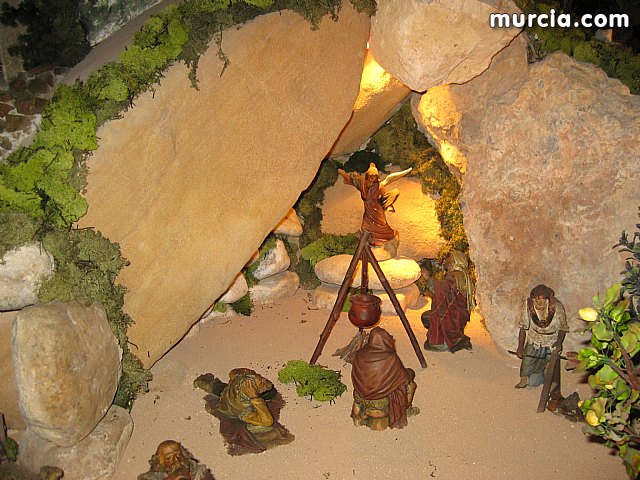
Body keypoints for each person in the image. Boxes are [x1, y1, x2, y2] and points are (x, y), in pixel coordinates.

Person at [351, 327, 418, 430]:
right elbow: (403, 379)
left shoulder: (360, 353)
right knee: (411, 386)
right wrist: (410, 373)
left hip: (361, 390)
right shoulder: (391, 358)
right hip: (379, 393)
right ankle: (407, 409)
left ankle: (359, 414)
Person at [338, 163, 411, 247]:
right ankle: (369, 242)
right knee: (366, 229)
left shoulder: (380, 187)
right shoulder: (363, 184)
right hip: (368, 214)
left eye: (373, 177)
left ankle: (380, 241)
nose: (371, 179)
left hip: (377, 211)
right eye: (370, 176)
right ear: (367, 176)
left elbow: (384, 197)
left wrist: (388, 206)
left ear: (376, 177)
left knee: (382, 228)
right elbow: (353, 180)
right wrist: (344, 175)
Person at [514, 284, 568, 388]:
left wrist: (559, 343)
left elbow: (563, 327)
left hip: (551, 341)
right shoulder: (528, 305)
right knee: (527, 361)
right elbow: (523, 327)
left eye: (542, 300)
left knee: (550, 364)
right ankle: (524, 380)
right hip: (534, 338)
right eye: (536, 300)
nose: (539, 303)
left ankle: (549, 384)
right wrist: (520, 347)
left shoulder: (557, 307)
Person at [421, 251, 473, 352]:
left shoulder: (454, 277)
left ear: (454, 261)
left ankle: (442, 341)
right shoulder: (462, 275)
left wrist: (428, 278)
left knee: (427, 317)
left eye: (449, 260)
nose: (446, 262)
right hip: (457, 314)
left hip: (453, 316)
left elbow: (441, 290)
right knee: (428, 316)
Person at [137, 440, 214, 480]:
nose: (176, 460)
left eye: (178, 455)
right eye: (169, 458)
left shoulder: (200, 472)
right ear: (161, 462)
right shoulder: (150, 478)